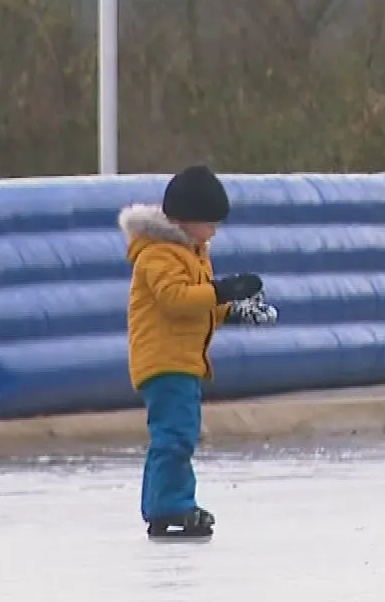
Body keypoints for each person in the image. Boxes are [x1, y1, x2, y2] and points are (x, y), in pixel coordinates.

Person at [119, 164, 278, 540]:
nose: (215, 232)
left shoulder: (193, 252)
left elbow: (199, 303)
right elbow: (176, 300)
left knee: (176, 434)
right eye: (211, 223)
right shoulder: (158, 255)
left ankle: (162, 503)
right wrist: (223, 291)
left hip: (182, 360)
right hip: (163, 361)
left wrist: (234, 311)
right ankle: (171, 504)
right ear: (186, 220)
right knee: (175, 435)